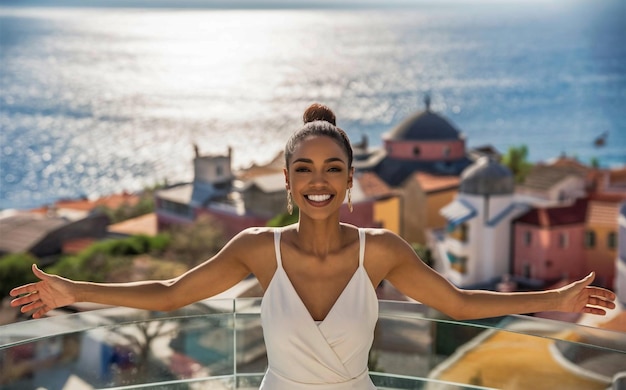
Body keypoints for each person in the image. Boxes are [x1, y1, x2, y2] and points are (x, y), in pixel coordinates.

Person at [9, 104, 617, 389]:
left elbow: (455, 304)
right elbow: (171, 295)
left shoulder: (380, 249)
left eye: (332, 168)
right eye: (304, 169)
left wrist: (555, 296)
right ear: (289, 181)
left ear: (350, 180)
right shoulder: (256, 248)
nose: (318, 181)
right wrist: (72, 290)